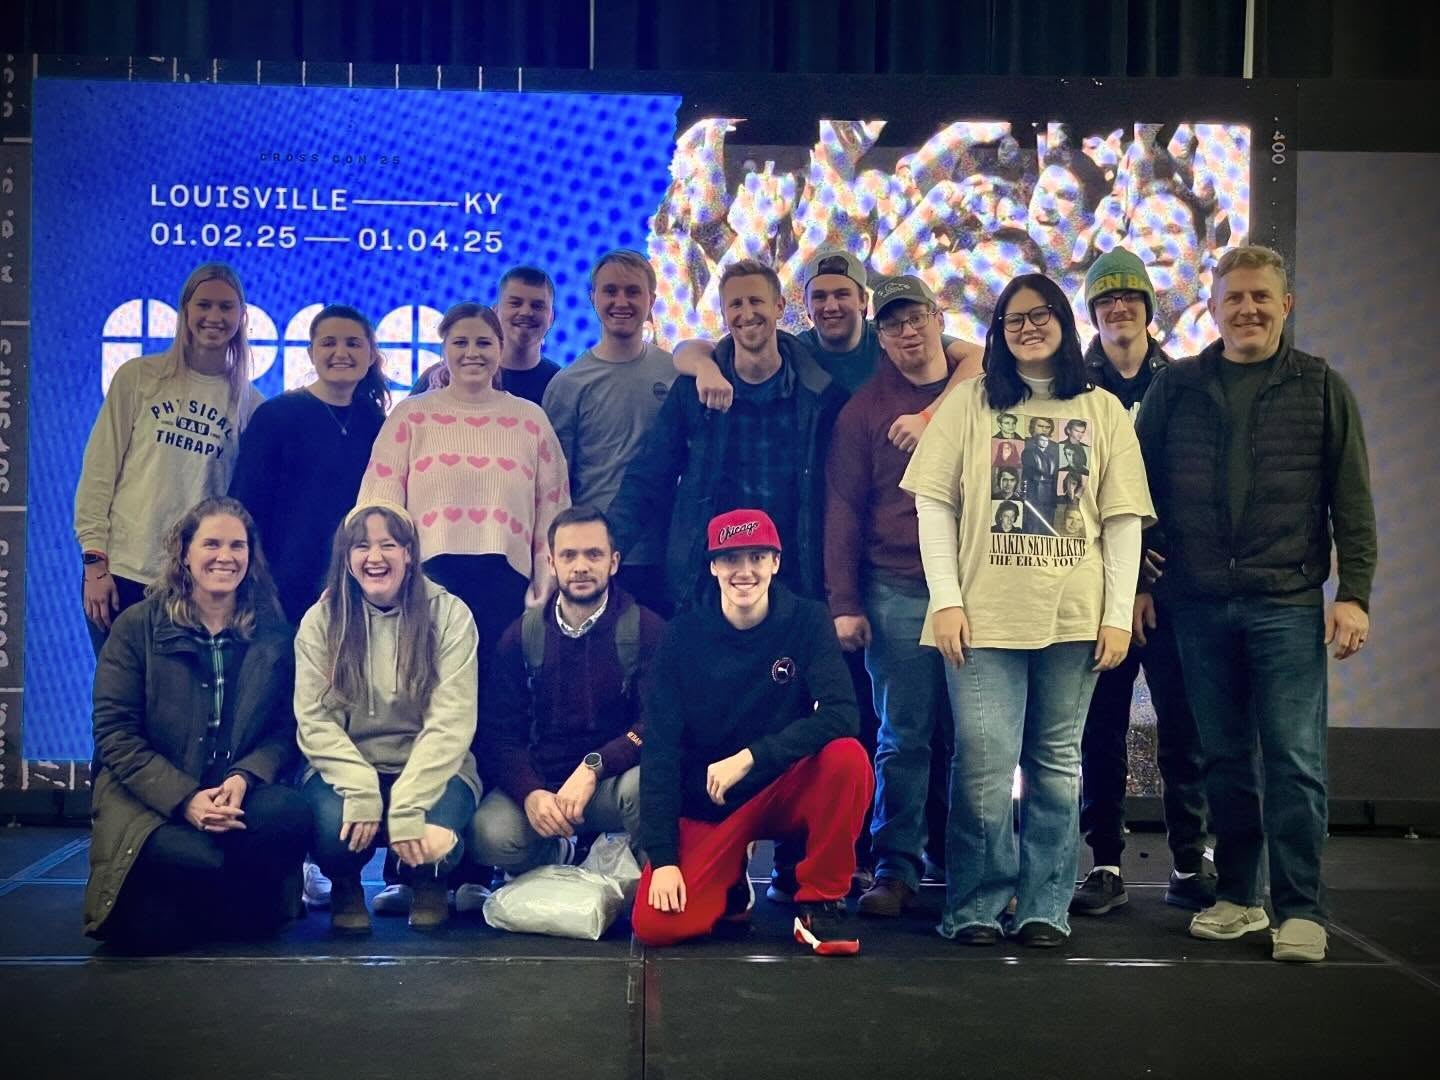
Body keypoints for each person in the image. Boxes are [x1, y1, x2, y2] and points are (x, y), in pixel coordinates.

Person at [1135, 245, 1376, 962]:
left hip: (1287, 604)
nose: (1248, 309)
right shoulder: (1175, 388)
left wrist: (1354, 595)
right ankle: (1239, 898)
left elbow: (1352, 502)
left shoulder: (1321, 388)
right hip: (1198, 605)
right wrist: (1139, 582)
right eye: (1234, 297)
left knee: (1295, 761)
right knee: (1224, 760)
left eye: (1261, 297)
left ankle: (1300, 909)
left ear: (1285, 306)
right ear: (1212, 309)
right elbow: (1135, 494)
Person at [902, 272, 1154, 947]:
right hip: (981, 620)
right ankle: (976, 907)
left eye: (1041, 314)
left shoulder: (1102, 410)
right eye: (1013, 319)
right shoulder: (970, 403)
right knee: (984, 769)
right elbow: (933, 504)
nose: (1028, 327)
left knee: (1056, 767)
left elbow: (1123, 520)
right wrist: (946, 601)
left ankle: (1046, 905)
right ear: (998, 333)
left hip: (1074, 620)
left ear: (1064, 323)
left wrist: (1116, 614)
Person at [633, 509, 873, 955]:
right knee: (656, 926)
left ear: (775, 562)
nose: (744, 571)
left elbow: (842, 715)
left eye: (757, 557)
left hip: (783, 785)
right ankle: (732, 884)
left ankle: (820, 900)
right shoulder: (681, 636)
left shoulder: (807, 620)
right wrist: (663, 859)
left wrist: (751, 757)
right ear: (713, 566)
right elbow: (660, 749)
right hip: (713, 801)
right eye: (730, 559)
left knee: (847, 758)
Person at [84, 496, 308, 953]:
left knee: (290, 816)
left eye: (237, 546)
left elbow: (284, 731)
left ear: (251, 556)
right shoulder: (137, 626)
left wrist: (244, 777)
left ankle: (222, 895)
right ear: (184, 553)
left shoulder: (272, 630)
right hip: (149, 797)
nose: (225, 556)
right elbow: (114, 735)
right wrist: (185, 799)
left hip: (233, 795)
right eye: (211, 544)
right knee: (152, 929)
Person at [1068, 248, 1212, 919]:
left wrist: (1148, 575)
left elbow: (1190, 485)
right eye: (1106, 299)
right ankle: (1103, 862)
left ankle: (1190, 858)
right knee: (1101, 730)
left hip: (1171, 589)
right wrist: (1120, 584)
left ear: (1149, 309)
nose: (1119, 308)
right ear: (1092, 311)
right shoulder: (1071, 387)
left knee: (1184, 725)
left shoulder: (1182, 383)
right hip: (1096, 588)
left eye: (1130, 297)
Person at [824, 275, 958, 917]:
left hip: (979, 590)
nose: (908, 332)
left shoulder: (979, 392)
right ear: (880, 336)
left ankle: (972, 865)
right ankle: (895, 866)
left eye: (917, 318)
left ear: (939, 319)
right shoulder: (864, 410)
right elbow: (843, 509)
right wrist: (844, 602)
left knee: (981, 741)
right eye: (894, 323)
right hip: (898, 588)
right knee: (903, 738)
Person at [608, 259, 847, 612]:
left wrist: (844, 595)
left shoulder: (820, 395)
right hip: (708, 579)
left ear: (779, 307)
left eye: (756, 301)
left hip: (795, 577)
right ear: (723, 314)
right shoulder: (692, 392)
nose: (747, 313)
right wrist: (606, 548)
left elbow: (843, 497)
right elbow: (649, 477)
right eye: (736, 304)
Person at [294, 500, 481, 933]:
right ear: (346, 558)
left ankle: (429, 881)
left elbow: (451, 722)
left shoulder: (451, 615)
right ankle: (344, 884)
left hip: (431, 766)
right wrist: (360, 787)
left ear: (409, 553)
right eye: (361, 546)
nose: (374, 557)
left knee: (437, 838)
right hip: (348, 766)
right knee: (331, 832)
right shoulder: (320, 621)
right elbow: (315, 721)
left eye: (388, 545)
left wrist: (409, 802)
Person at [359, 301, 571, 668]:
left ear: (500, 348)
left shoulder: (531, 420)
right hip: (426, 585)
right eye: (460, 343)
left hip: (508, 590)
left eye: (484, 343)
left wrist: (545, 584)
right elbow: (378, 508)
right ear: (444, 349)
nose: (472, 352)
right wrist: (380, 580)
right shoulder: (410, 417)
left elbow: (553, 510)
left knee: (498, 694)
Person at [468, 507, 665, 887]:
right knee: (487, 834)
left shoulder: (646, 629)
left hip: (612, 783)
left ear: (614, 562)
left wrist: (596, 766)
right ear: (551, 563)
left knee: (649, 787)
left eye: (593, 554)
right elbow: (499, 735)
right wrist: (529, 793)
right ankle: (560, 854)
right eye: (569, 555)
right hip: (547, 786)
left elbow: (657, 725)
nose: (581, 566)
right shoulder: (521, 636)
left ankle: (646, 883)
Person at [76, 263, 264, 654]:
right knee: (119, 692)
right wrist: (94, 562)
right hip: (123, 572)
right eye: (204, 305)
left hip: (194, 582)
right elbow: (99, 472)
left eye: (226, 307)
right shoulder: (138, 378)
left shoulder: (250, 404)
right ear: (185, 311)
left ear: (241, 316)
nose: (214, 316)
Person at [670, 248, 982, 452]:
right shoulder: (795, 350)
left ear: (863, 301)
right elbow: (687, 349)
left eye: (841, 294)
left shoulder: (890, 336)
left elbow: (978, 358)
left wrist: (930, 416)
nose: (830, 306)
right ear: (805, 306)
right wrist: (706, 369)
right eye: (819, 297)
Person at [230, 304, 390, 625]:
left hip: (352, 588)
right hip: (278, 591)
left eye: (353, 343)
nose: (340, 352)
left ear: (371, 355)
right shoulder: (276, 416)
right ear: (310, 352)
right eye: (329, 343)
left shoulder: (376, 422)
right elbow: (244, 507)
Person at [542, 250, 677, 615]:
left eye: (633, 291)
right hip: (594, 557)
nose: (621, 301)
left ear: (652, 300)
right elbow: (555, 484)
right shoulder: (568, 384)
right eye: (610, 291)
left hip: (664, 555)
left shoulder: (676, 373)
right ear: (593, 298)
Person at [412, 267, 562, 405]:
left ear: (551, 318)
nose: (526, 312)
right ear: (495, 312)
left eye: (537, 306)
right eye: (515, 303)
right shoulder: (441, 377)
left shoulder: (561, 384)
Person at [1020, 416, 1059, 531]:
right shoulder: (1024, 443)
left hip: (1049, 494)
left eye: (1047, 427)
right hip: (1030, 493)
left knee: (1047, 526)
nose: (1044, 430)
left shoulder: (1055, 447)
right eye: (1040, 426)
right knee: (1030, 526)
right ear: (1032, 427)